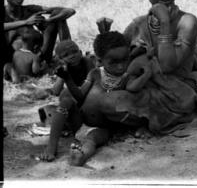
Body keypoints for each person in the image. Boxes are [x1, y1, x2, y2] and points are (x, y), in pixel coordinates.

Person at [100, 0, 197, 135]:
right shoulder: (139, 24)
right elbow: (118, 56)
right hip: (143, 88)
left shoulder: (187, 21)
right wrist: (105, 35)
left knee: (108, 105)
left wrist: (164, 22)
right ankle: (149, 120)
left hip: (178, 94)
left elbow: (166, 66)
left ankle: (167, 119)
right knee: (101, 102)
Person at [38, 31, 152, 165]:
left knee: (92, 139)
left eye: (124, 60)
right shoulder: (95, 74)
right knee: (66, 101)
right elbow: (80, 97)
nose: (120, 66)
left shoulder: (127, 77)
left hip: (103, 128)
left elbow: (131, 96)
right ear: (100, 60)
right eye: (113, 62)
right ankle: (51, 147)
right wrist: (67, 78)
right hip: (80, 121)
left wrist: (146, 72)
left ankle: (81, 156)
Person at [4, 0, 76, 66]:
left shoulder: (30, 9)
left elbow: (69, 11)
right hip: (15, 62)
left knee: (58, 16)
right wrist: (26, 22)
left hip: (41, 57)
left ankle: (68, 57)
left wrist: (48, 20)